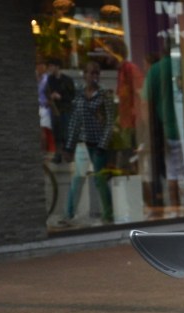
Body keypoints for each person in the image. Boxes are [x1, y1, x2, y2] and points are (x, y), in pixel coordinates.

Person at [57, 61, 116, 227]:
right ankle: (68, 215)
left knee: (100, 180)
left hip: (98, 144)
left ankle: (108, 214)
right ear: (84, 75)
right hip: (83, 143)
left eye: (97, 73)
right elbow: (75, 122)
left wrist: (103, 144)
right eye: (91, 73)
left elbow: (110, 121)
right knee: (77, 179)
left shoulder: (104, 95)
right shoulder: (80, 95)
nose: (94, 77)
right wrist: (69, 146)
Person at [145, 51, 184, 208]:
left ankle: (176, 207)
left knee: (172, 172)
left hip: (167, 129)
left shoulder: (154, 70)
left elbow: (146, 102)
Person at [44, 58, 75, 166]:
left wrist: (60, 97)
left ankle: (67, 155)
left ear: (57, 67)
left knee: (65, 133)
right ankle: (58, 155)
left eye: (51, 66)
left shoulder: (67, 80)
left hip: (65, 109)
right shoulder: (49, 80)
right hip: (54, 109)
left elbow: (72, 96)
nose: (49, 68)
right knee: (56, 133)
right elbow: (46, 93)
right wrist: (50, 97)